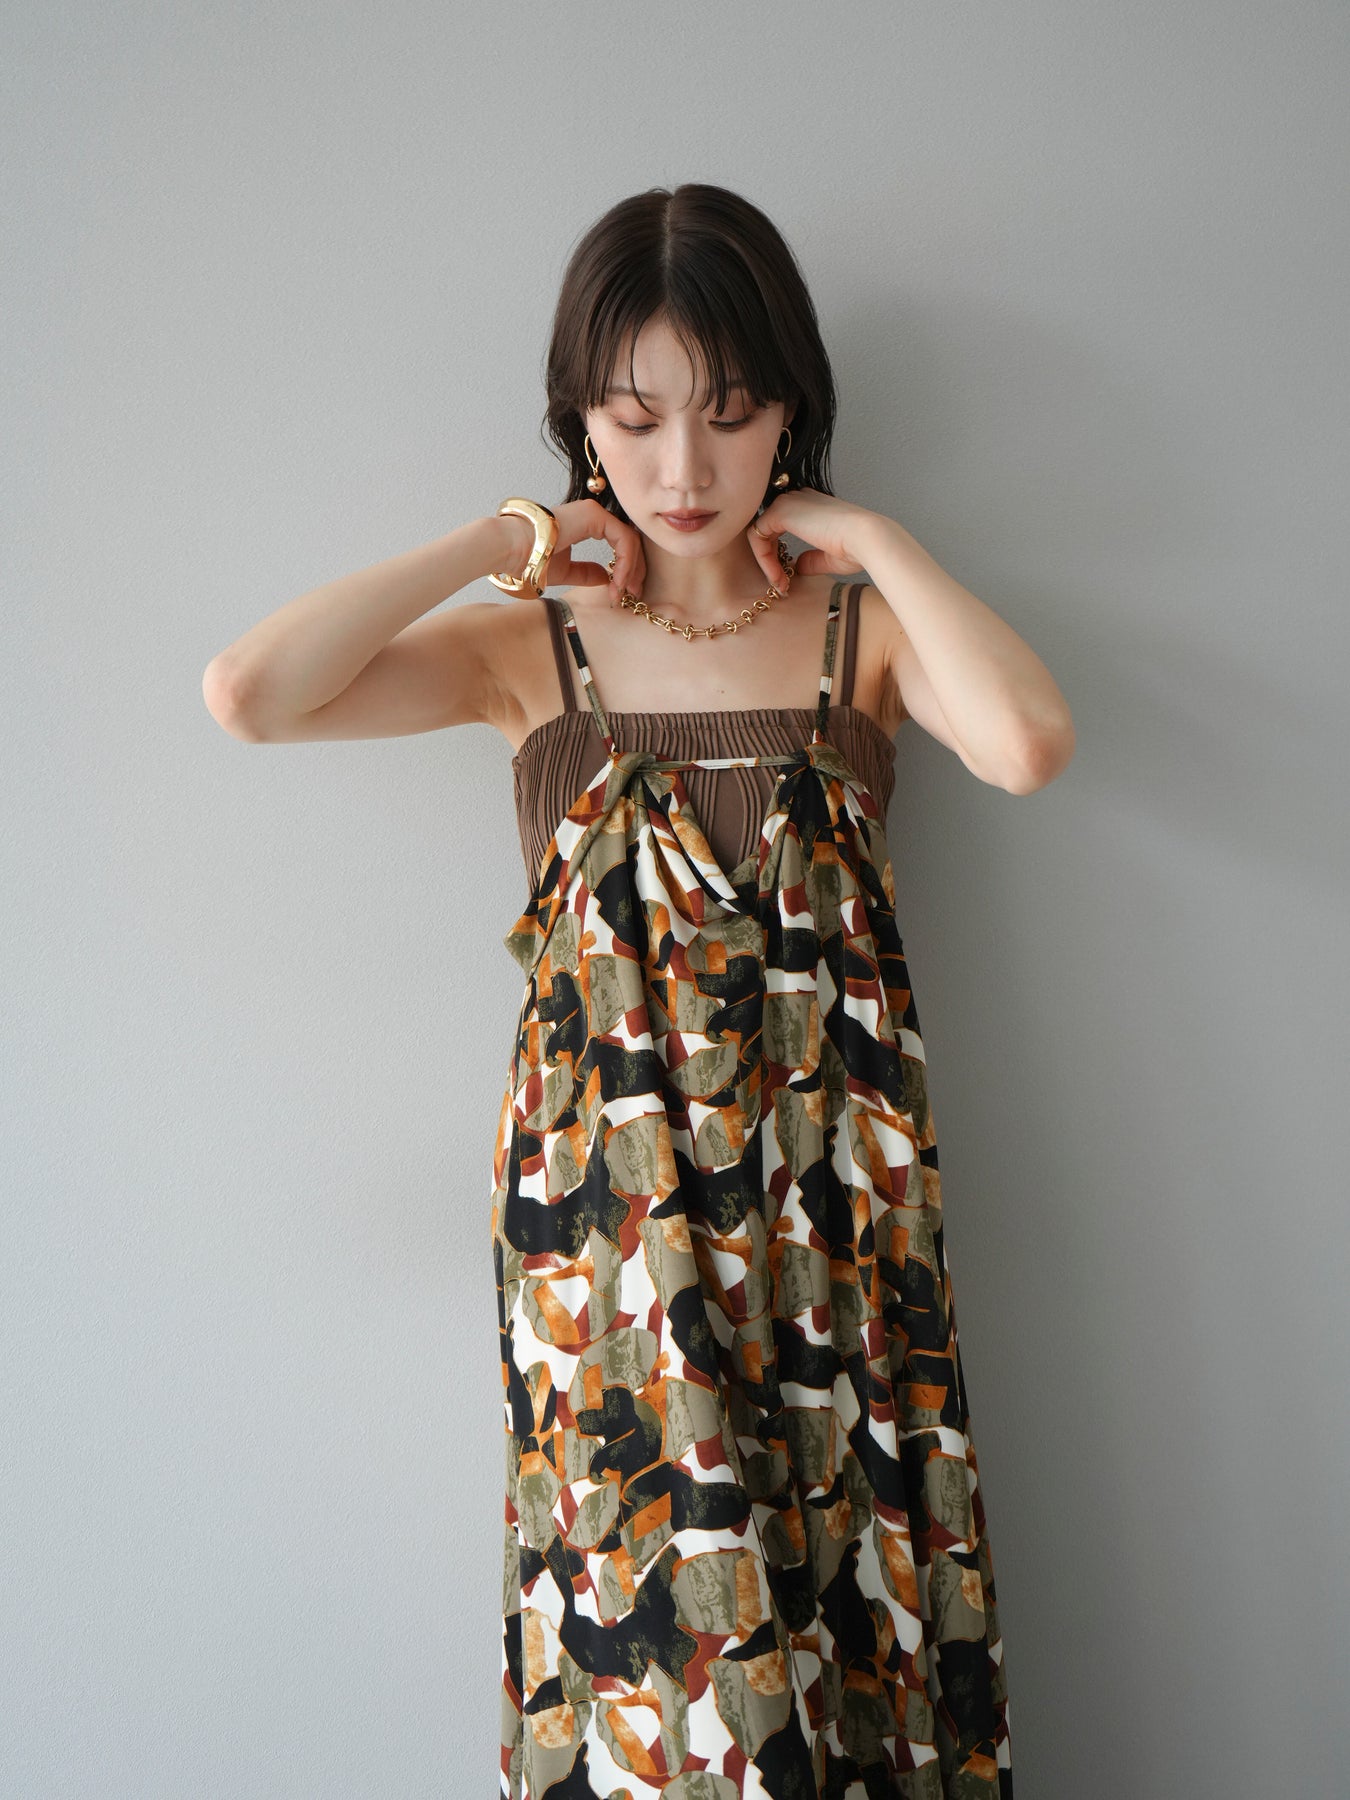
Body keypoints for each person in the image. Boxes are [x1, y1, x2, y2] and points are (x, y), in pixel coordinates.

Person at [204, 182, 1073, 1799]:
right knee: (656, 1681)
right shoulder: (531, 645)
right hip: (609, 1247)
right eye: (633, 417)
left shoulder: (860, 635)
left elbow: (1025, 746)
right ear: (579, 422)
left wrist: (876, 540)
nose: (682, 469)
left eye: (729, 415)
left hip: (837, 1229)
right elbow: (251, 694)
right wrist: (501, 541)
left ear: (789, 412)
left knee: (859, 1635)